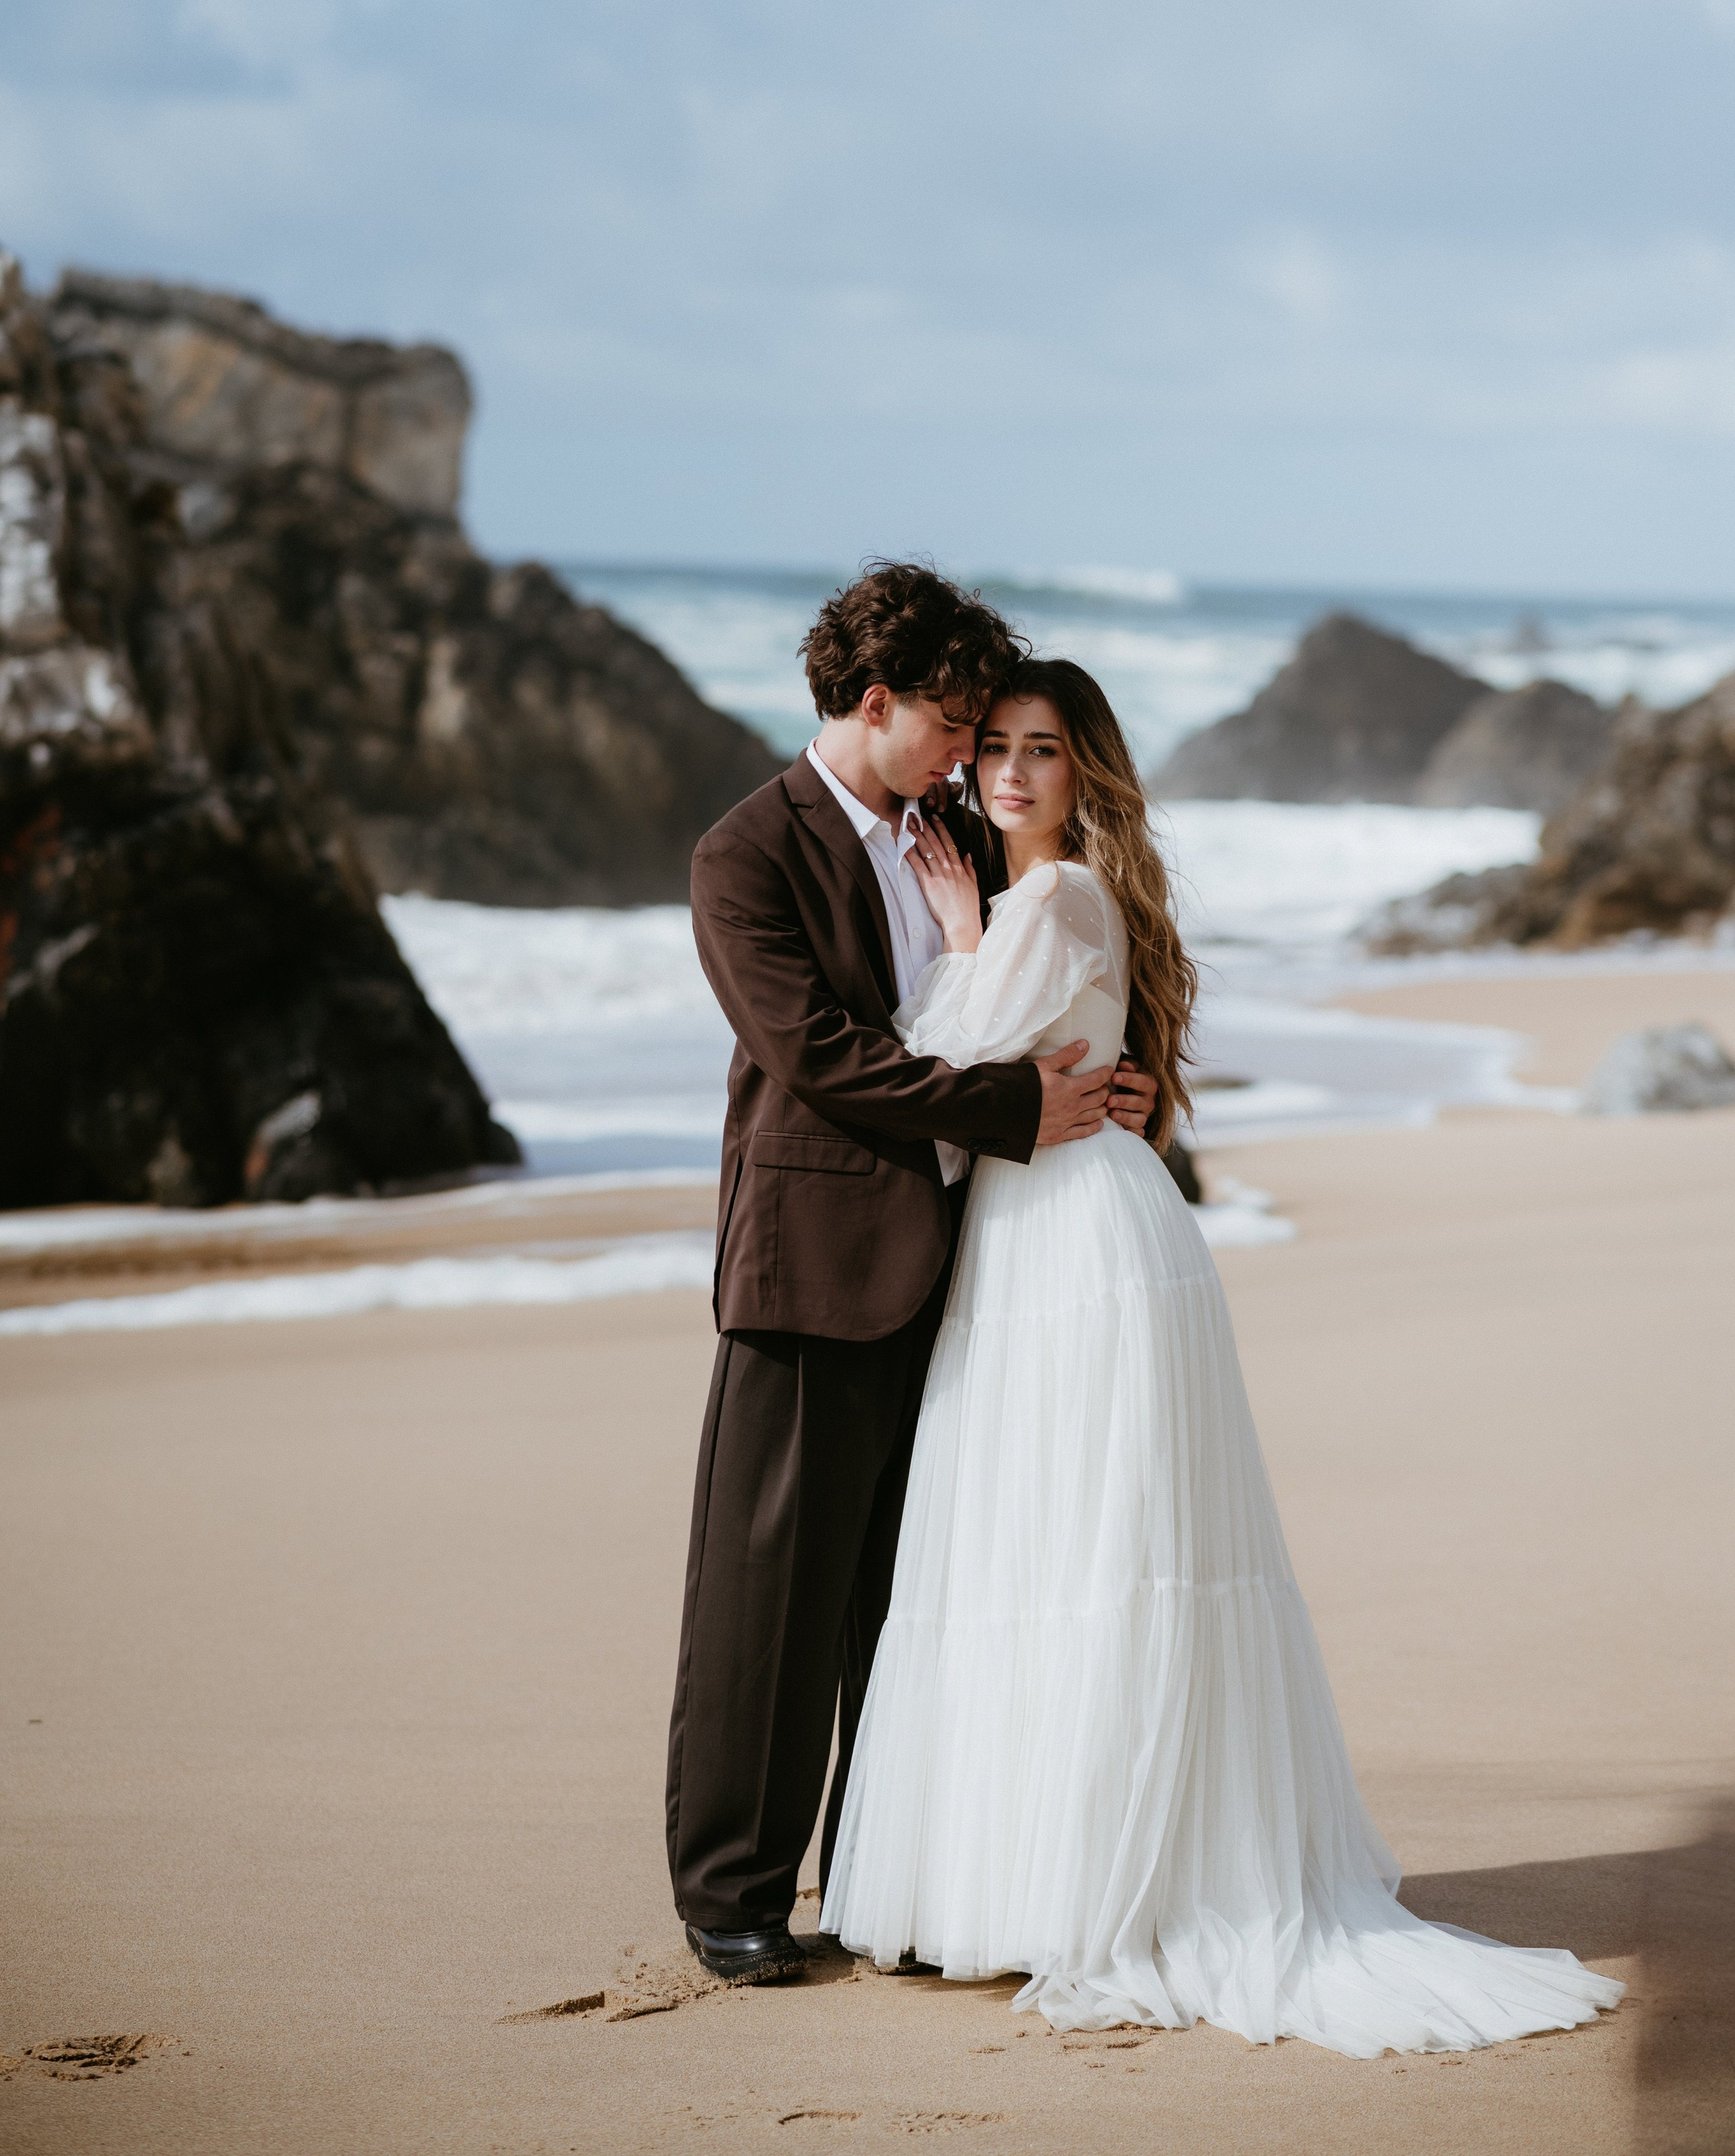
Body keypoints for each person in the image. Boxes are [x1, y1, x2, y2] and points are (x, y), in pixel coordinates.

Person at [821, 659, 1625, 2057]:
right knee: (1051, 1555)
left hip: (1079, 1253)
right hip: (1049, 1241)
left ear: (1084, 773)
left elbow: (937, 1061)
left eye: (1043, 751)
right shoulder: (1055, 901)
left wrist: (955, 933)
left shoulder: (1054, 897)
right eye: (995, 747)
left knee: (1088, 1561)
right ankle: (1039, 1879)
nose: (1011, 772)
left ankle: (1091, 1884)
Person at [666, 570, 1160, 1986]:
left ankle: (887, 1882)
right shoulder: (742, 855)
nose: (969, 748)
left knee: (907, 1601)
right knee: (766, 1593)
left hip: (972, 1271)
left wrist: (1125, 1088)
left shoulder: (949, 825)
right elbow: (819, 1055)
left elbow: (1056, 962)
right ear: (872, 705)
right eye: (951, 721)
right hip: (811, 1265)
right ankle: (732, 1893)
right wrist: (1014, 1108)